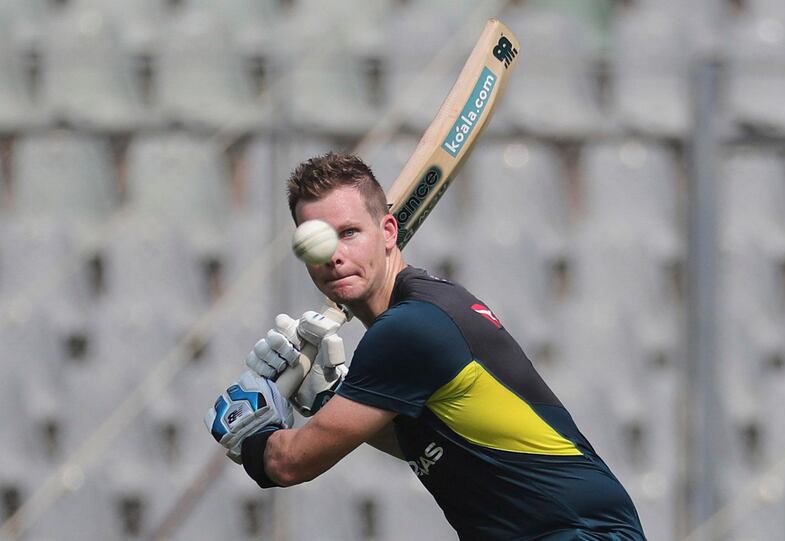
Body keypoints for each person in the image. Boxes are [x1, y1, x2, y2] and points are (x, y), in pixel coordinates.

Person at [205, 152, 647, 540]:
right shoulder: (422, 312)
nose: (333, 256)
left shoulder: (411, 328)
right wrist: (328, 401)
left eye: (350, 233)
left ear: (389, 231)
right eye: (315, 241)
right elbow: (437, 446)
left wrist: (253, 435)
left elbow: (289, 464)